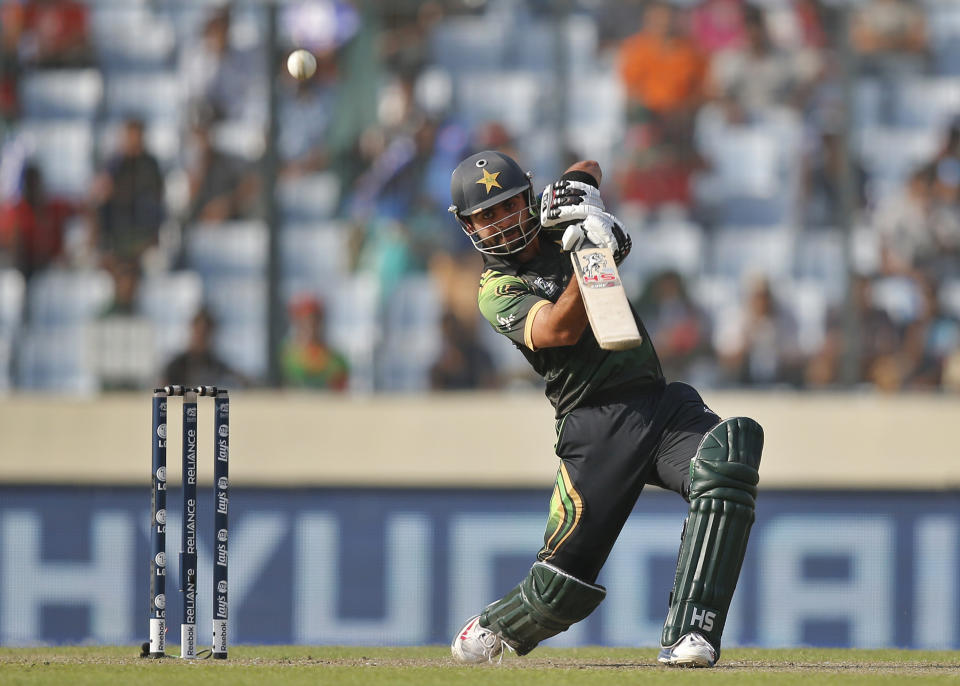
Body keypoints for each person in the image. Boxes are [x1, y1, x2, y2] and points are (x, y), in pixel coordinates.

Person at [447, 151, 763, 668]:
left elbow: (588, 164)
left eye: (508, 206)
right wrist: (593, 257)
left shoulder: (554, 222)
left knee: (726, 462)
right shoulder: (495, 290)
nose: (502, 222)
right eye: (486, 216)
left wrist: (584, 196)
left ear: (528, 198)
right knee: (560, 592)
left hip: (657, 401)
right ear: (467, 226)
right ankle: (493, 627)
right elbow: (557, 330)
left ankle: (692, 633)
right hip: (593, 425)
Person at [281, 294, 349, 391]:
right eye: (303, 321)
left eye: (314, 320)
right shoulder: (285, 357)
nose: (309, 326)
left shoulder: (336, 361)